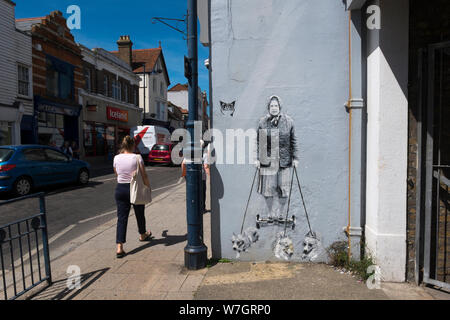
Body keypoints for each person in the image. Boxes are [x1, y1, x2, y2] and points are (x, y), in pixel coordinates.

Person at [113, 136, 152, 258]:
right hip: (134, 188)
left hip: (120, 189)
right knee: (140, 213)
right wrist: (148, 187)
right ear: (133, 146)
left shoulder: (116, 158)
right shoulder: (137, 157)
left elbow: (117, 173)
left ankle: (119, 246)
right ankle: (142, 234)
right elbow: (144, 175)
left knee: (122, 218)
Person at [256, 95, 299, 199]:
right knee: (268, 191)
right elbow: (259, 143)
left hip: (284, 160)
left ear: (280, 107)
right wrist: (258, 159)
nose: (274, 108)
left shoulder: (289, 122)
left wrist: (295, 158)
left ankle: (282, 214)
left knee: (284, 191)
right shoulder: (263, 122)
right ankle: (270, 214)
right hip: (269, 160)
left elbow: (294, 141)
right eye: (271, 106)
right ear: (268, 107)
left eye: (276, 105)